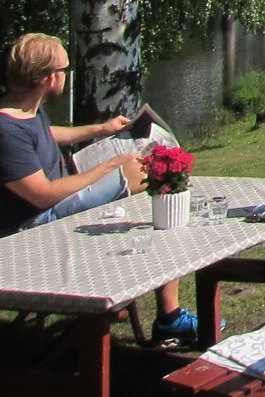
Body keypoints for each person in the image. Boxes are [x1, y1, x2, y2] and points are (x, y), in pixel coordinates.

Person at [1, 33, 199, 345]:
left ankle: (150, 305)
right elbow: (41, 195)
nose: (67, 77)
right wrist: (106, 167)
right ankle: (168, 316)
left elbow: (45, 134)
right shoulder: (6, 130)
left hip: (52, 204)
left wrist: (100, 130)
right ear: (50, 77)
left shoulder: (24, 110)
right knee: (147, 171)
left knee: (151, 164)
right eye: (66, 71)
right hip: (31, 226)